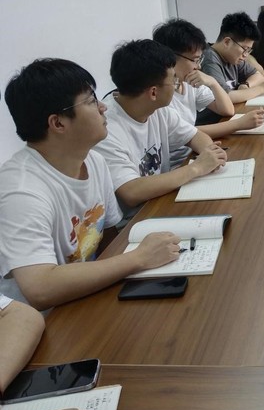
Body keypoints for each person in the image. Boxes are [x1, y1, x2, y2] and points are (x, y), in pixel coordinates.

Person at [0, 59, 181, 310]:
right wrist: (139, 258)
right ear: (58, 123)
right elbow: (40, 288)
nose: (103, 107)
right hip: (45, 318)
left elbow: (107, 236)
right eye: (91, 101)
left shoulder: (94, 160)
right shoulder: (21, 190)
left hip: (89, 297)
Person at [94, 40, 228, 220]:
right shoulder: (105, 129)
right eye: (173, 80)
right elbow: (131, 192)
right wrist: (197, 168)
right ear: (153, 92)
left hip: (161, 201)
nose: (177, 83)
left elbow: (196, 136)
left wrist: (209, 154)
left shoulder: (158, 109)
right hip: (136, 221)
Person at [152, 18, 264, 168]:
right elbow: (189, 132)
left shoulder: (189, 82)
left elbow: (227, 110)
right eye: (195, 60)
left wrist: (212, 82)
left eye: (200, 60)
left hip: (194, 155)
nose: (198, 67)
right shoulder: (160, 96)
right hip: (177, 166)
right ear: (171, 58)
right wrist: (239, 124)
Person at [198, 12, 264, 124]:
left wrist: (246, 85)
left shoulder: (233, 57)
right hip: (213, 123)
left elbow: (258, 75)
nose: (246, 55)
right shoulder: (209, 59)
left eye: (249, 50)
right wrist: (263, 88)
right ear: (227, 42)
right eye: (245, 49)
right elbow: (227, 96)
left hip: (230, 116)